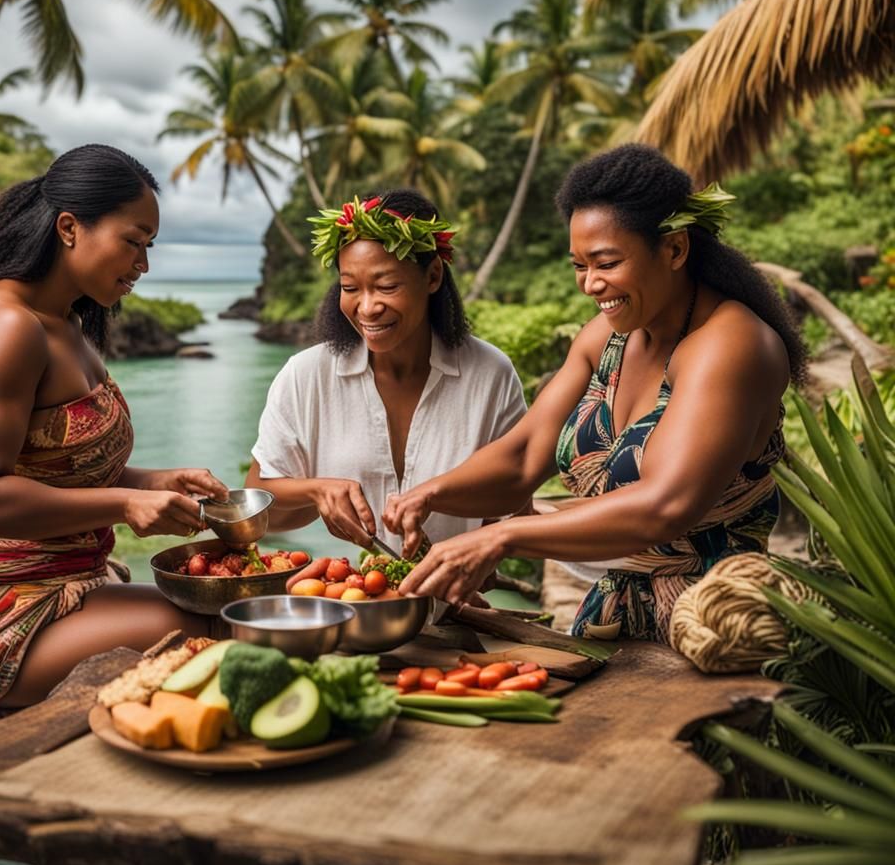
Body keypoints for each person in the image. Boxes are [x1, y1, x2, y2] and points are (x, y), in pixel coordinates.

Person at [385, 144, 807, 642]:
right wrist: (430, 493)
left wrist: (500, 537)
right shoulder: (607, 337)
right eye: (579, 266)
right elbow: (523, 458)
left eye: (606, 262)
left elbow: (663, 507)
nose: (590, 284)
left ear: (674, 249)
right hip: (613, 615)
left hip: (719, 624)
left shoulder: (732, 344)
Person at [0, 144, 228, 724]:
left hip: (74, 583)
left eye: (149, 247)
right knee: (217, 629)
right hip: (1, 609)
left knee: (234, 608)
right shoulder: (8, 327)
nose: (143, 265)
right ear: (69, 227)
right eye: (132, 242)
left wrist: (153, 480)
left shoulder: (68, 325)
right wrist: (124, 502)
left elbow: (47, 468)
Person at [245, 189, 527, 554]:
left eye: (387, 286)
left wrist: (478, 560)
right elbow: (258, 496)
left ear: (433, 276)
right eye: (350, 287)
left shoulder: (491, 374)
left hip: (449, 601)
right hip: (343, 596)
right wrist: (316, 491)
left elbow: (517, 497)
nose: (367, 307)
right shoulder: (306, 375)